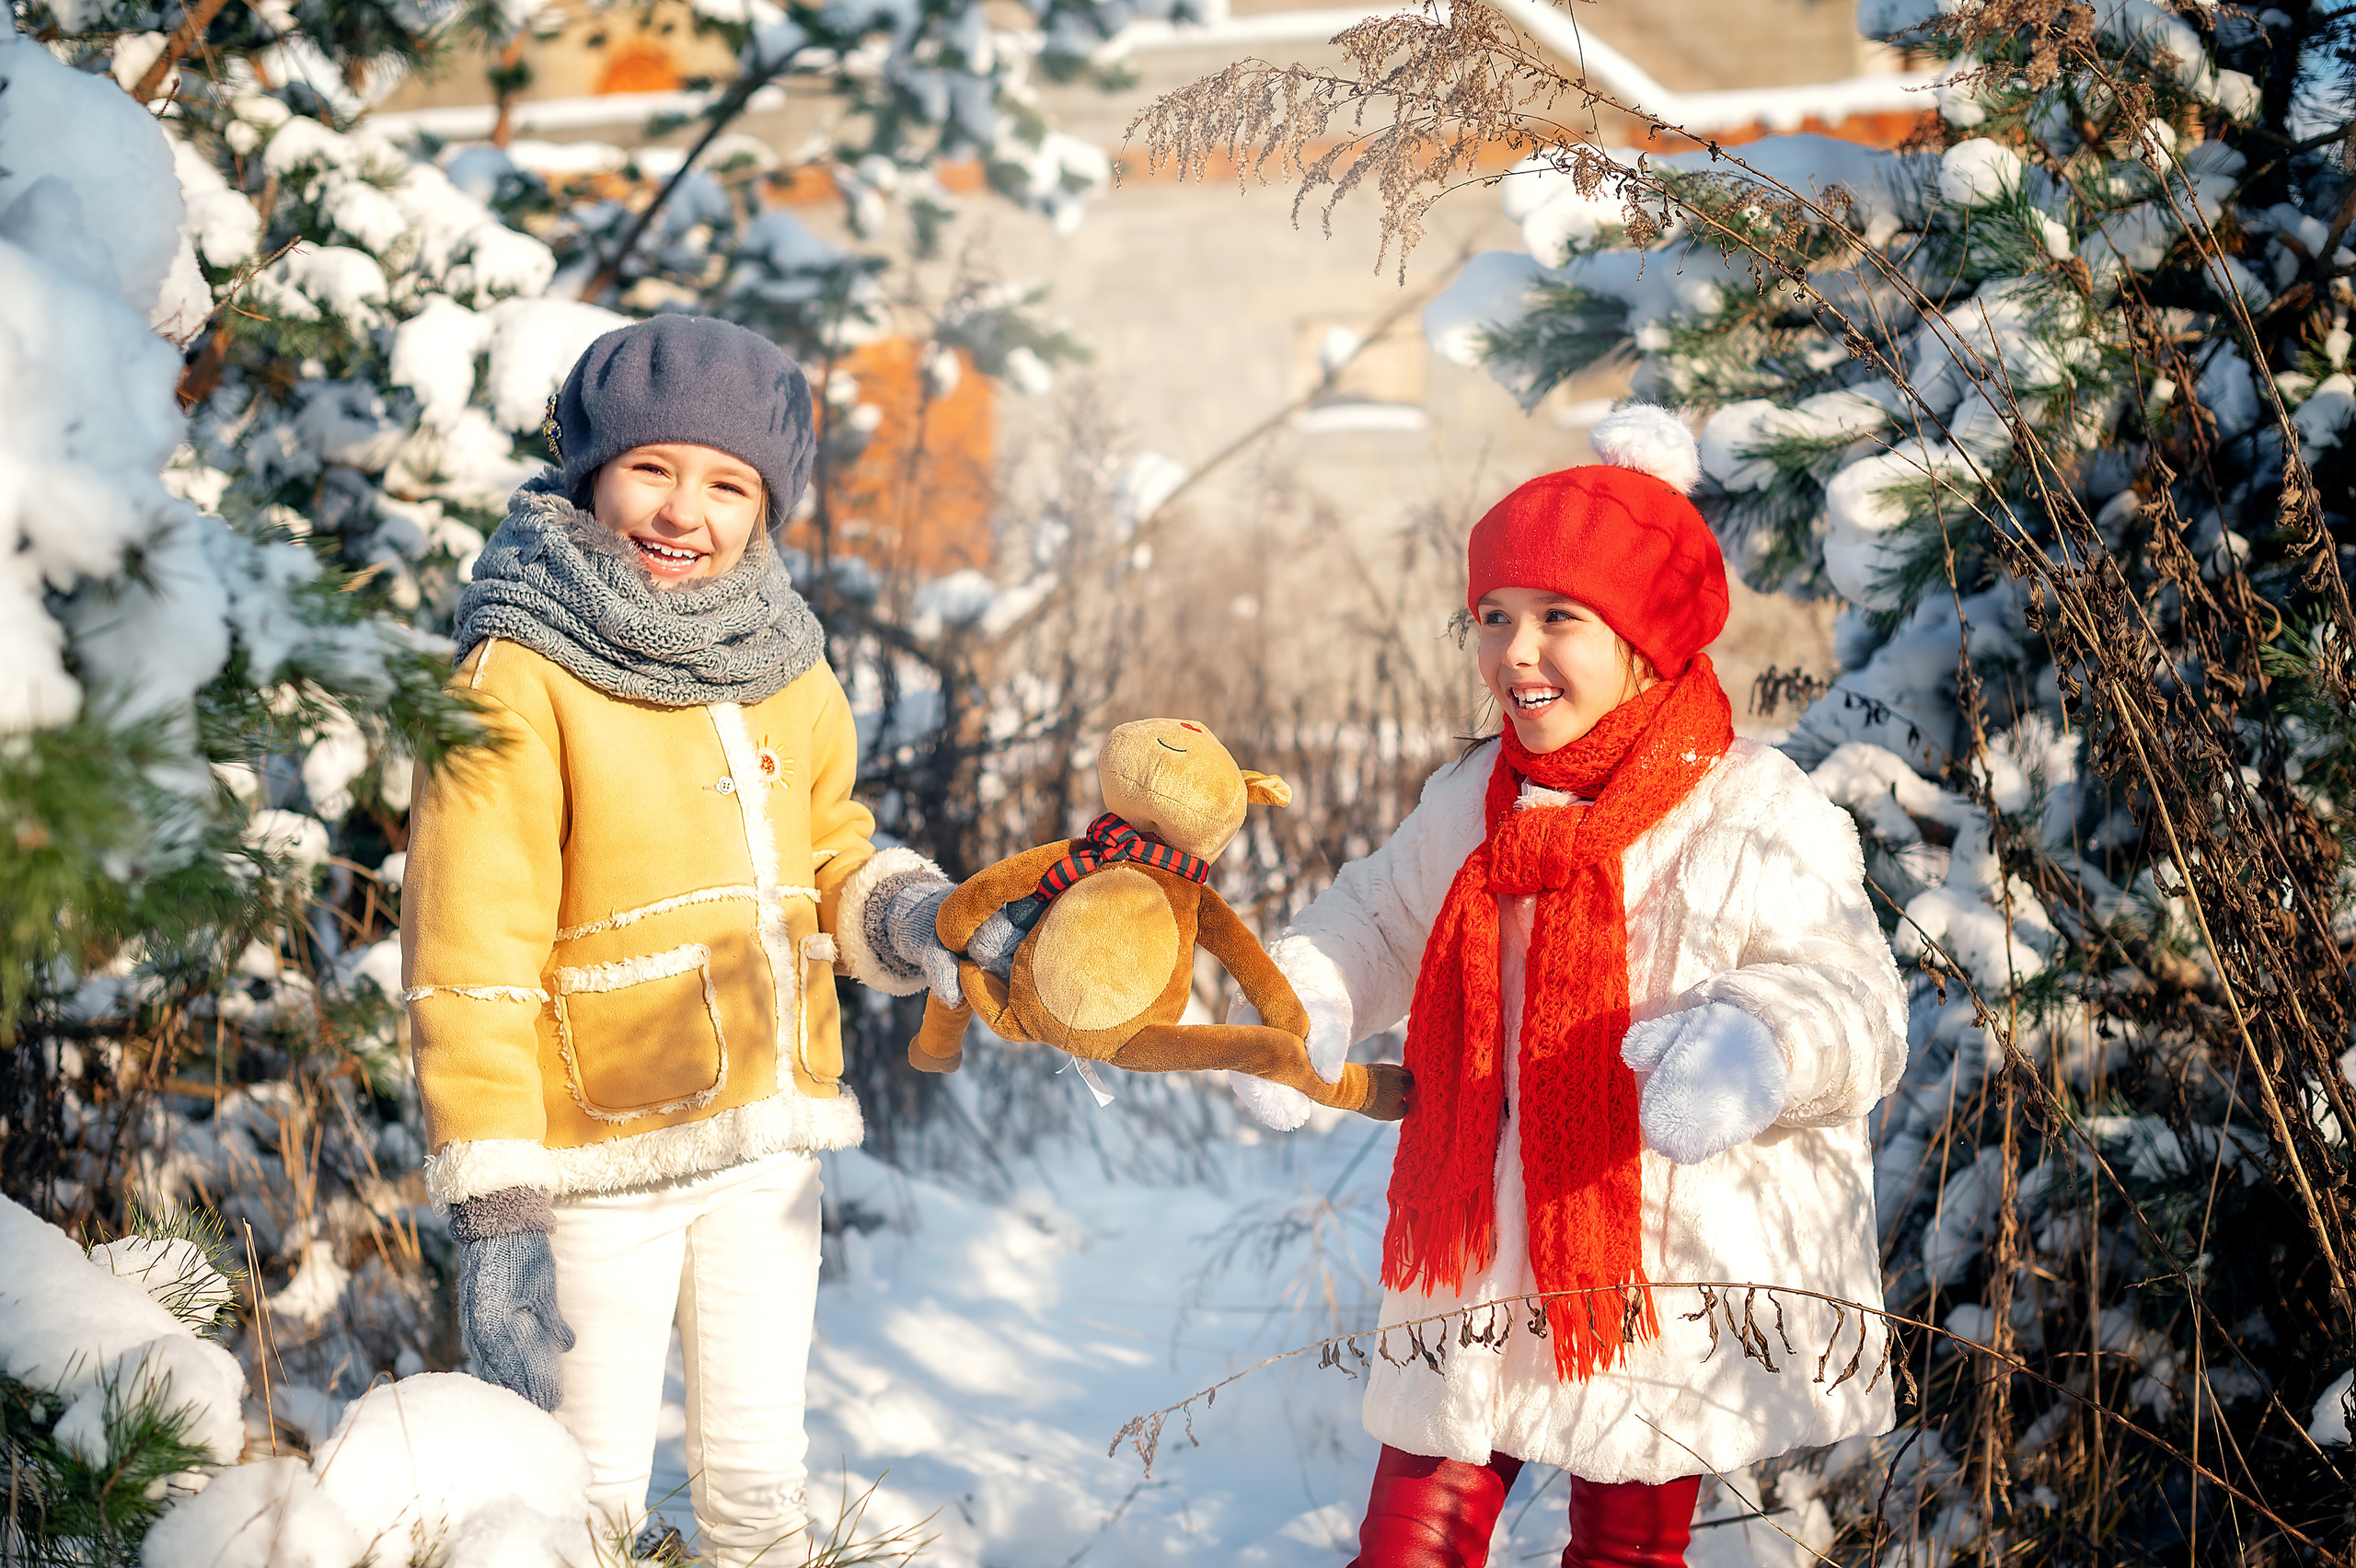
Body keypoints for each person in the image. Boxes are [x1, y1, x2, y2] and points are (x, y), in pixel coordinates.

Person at [1230, 406, 1909, 1568]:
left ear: (1645, 636)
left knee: (1626, 1553)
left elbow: (1856, 999)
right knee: (1408, 1547)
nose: (1515, 652)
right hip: (1476, 1249)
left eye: (1558, 619)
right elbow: (1379, 916)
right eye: (1492, 617)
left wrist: (1757, 1048)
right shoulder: (1474, 797)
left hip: (1652, 1260)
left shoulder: (1754, 809)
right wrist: (1308, 1009)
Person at [398, 315, 961, 1564]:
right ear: (592, 471)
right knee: (579, 1499)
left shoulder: (788, 670)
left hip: (770, 1150)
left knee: (758, 1493)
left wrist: (918, 918)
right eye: (652, 467)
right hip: (600, 1162)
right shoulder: (518, 672)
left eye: (727, 484)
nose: (682, 510)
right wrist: (497, 1207)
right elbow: (468, 954)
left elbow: (830, 855)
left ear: (767, 509)